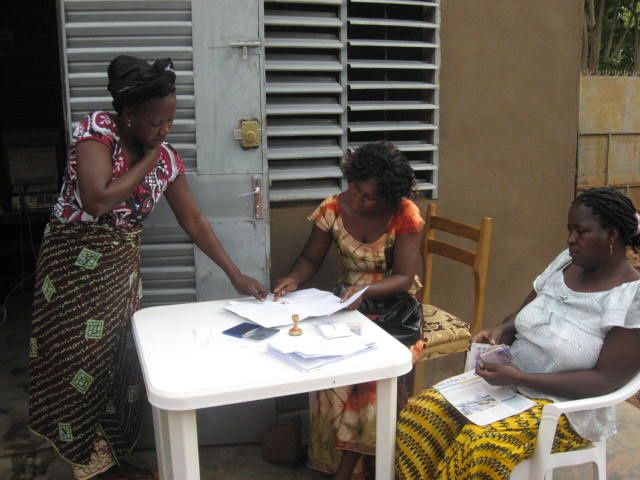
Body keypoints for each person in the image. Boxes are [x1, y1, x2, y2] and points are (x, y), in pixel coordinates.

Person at [27, 55, 267, 480]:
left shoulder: (167, 158)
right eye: (157, 121)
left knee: (120, 365)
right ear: (129, 114)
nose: (165, 130)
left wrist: (235, 274)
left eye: (171, 121)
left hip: (119, 274)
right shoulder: (97, 132)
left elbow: (193, 221)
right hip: (71, 272)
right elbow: (97, 199)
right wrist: (149, 158)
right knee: (75, 366)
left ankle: (107, 461)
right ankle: (85, 463)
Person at [395, 187, 640, 480]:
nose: (570, 239)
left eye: (580, 231)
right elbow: (521, 318)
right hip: (509, 384)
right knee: (420, 415)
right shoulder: (566, 262)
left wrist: (520, 377)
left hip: (564, 412)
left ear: (611, 235)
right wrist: (500, 330)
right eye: (569, 230)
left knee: (478, 444)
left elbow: (606, 380)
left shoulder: (631, 298)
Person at [273, 141, 425, 480]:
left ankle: (346, 471)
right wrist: (293, 279)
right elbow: (310, 259)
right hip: (346, 306)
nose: (358, 199)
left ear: (389, 196)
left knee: (372, 374)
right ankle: (344, 463)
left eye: (369, 196)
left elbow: (402, 278)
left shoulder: (405, 214)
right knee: (325, 365)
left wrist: (368, 289)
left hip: (396, 312)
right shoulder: (333, 209)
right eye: (355, 188)